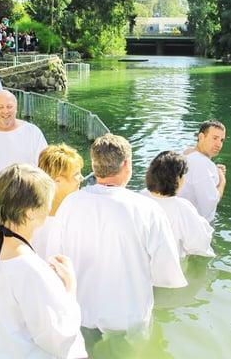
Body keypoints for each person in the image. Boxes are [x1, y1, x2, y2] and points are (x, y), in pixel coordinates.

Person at [56, 134, 187, 335]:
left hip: (80, 315)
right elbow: (166, 271)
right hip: (127, 319)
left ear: (94, 164)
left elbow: (56, 259)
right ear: (127, 164)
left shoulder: (70, 204)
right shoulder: (146, 209)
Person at [0, 164, 88, 359]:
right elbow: (58, 338)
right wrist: (69, 289)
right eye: (47, 202)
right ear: (30, 212)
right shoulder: (32, 270)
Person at [0, 90, 48, 216]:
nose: (5, 111)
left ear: (16, 108)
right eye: (0, 107)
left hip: (25, 210)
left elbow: (45, 168)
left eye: (9, 107)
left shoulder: (32, 132)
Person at [140, 151, 215, 259]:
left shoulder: (139, 197)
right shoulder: (182, 208)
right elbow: (200, 244)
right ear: (177, 179)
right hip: (171, 267)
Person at [33, 144, 84, 260]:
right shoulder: (74, 218)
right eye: (76, 174)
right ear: (57, 181)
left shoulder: (29, 215)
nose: (81, 178)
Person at [177, 120, 227, 222]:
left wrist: (213, 172)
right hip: (192, 226)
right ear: (201, 137)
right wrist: (222, 180)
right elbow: (211, 202)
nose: (219, 144)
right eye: (215, 138)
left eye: (222, 140)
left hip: (178, 217)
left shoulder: (186, 154)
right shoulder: (203, 163)